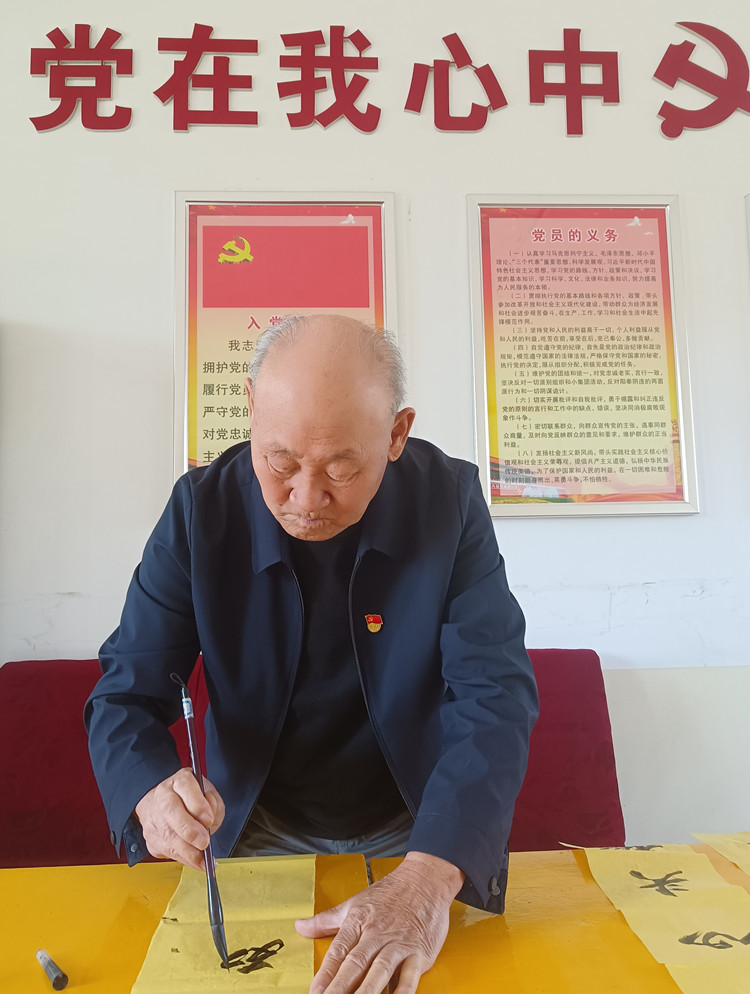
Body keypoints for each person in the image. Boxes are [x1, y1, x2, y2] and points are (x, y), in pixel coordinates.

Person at [85, 314, 538, 994]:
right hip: (251, 822)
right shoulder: (201, 511)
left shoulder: (447, 501)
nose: (305, 498)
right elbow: (125, 692)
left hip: (416, 825)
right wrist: (149, 789)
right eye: (280, 461)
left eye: (341, 467)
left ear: (396, 434)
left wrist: (428, 875)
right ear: (250, 408)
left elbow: (495, 692)